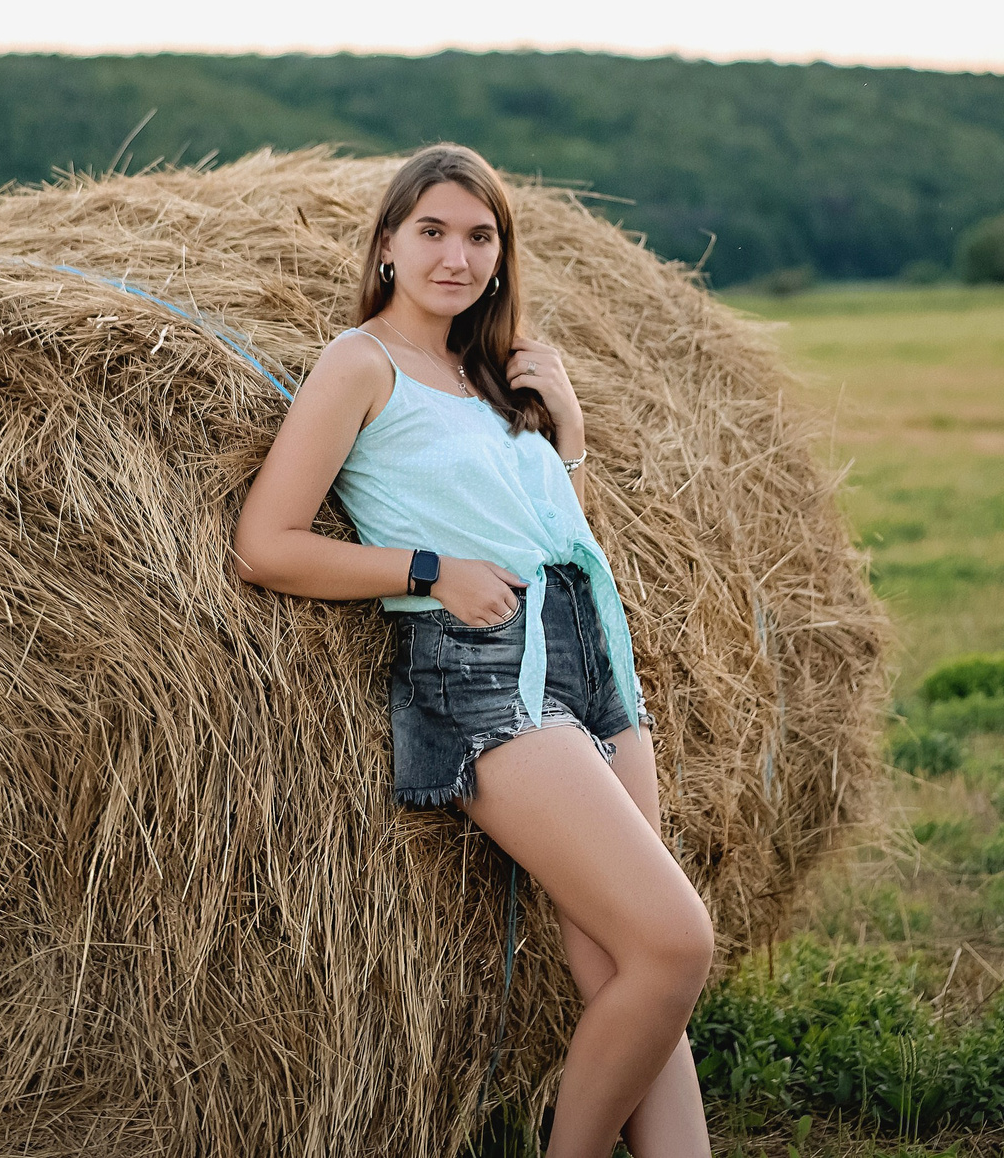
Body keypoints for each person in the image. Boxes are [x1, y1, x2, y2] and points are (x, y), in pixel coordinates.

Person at [232, 143, 714, 1158]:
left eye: (479, 236)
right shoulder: (360, 362)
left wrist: (565, 430)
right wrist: (426, 567)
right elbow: (266, 543)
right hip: (485, 670)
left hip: (592, 660)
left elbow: (550, 529)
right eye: (433, 231)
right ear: (388, 247)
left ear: (501, 256)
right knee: (678, 943)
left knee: (633, 974)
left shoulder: (496, 375)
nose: (456, 256)